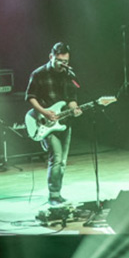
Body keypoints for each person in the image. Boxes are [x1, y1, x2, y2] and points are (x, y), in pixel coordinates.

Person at [25, 42, 81, 205]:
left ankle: (57, 192)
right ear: (51, 57)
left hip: (64, 122)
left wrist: (75, 108)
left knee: (62, 161)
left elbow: (71, 99)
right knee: (56, 158)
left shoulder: (69, 74)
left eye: (66, 61)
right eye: (60, 61)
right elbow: (30, 96)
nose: (63, 64)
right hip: (44, 122)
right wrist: (44, 112)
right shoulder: (39, 73)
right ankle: (54, 194)